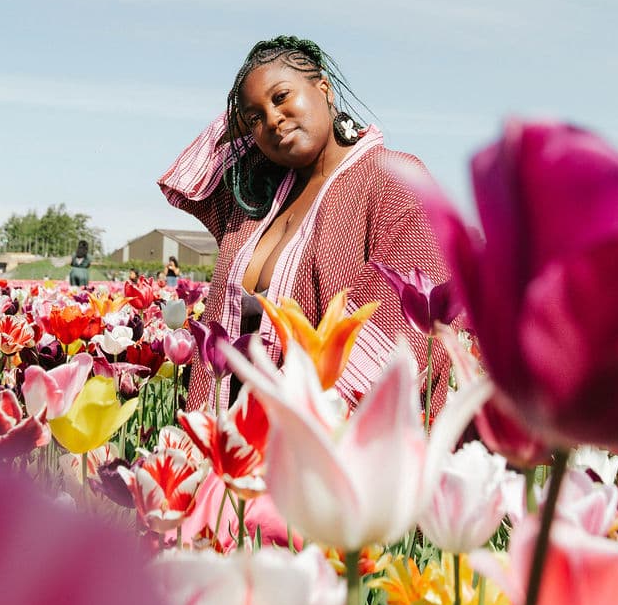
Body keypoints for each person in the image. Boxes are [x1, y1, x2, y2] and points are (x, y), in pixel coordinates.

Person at [159, 35, 451, 410]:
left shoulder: (392, 178)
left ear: (324, 88)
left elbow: (404, 317)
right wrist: (239, 117)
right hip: (226, 429)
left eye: (281, 97)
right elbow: (192, 177)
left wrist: (299, 411)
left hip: (319, 428)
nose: (273, 119)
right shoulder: (256, 199)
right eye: (254, 118)